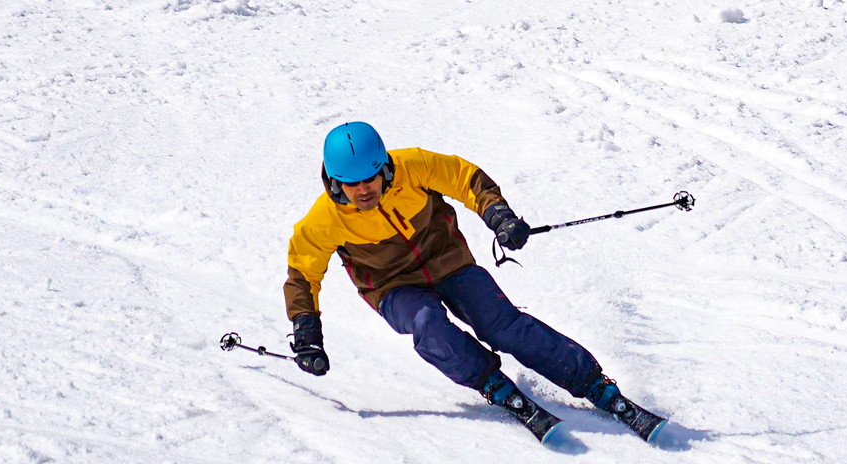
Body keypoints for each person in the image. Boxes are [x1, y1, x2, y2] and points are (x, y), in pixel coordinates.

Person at [282, 121, 664, 442]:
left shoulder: (413, 166)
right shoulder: (323, 220)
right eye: (351, 183)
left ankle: (593, 383)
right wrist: (306, 333)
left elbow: (466, 178)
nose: (363, 189)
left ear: (384, 168)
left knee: (503, 325)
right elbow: (302, 274)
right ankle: (488, 381)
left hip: (449, 261)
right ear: (335, 183)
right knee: (427, 325)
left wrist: (500, 216)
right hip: (393, 287)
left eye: (370, 178)